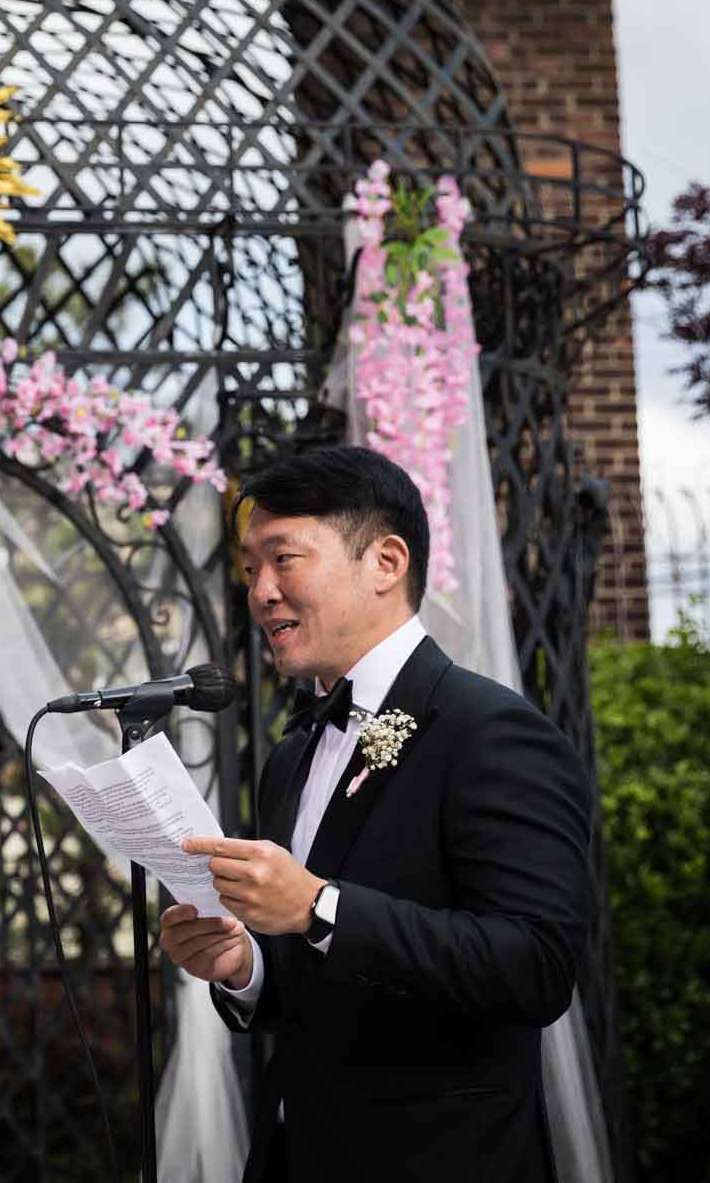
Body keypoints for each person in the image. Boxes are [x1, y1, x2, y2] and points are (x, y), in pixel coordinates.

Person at [161, 446, 591, 1182]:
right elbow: (314, 978)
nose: (261, 591)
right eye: (249, 568)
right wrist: (243, 967)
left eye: (284, 558)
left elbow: (537, 966)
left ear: (386, 562)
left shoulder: (490, 731)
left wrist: (320, 906)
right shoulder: (292, 757)